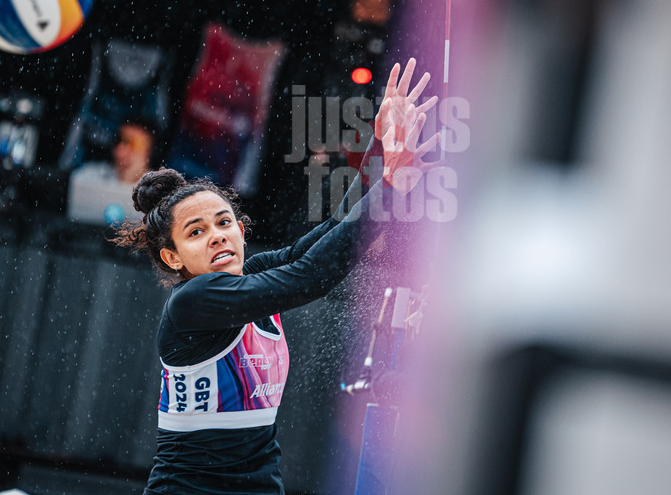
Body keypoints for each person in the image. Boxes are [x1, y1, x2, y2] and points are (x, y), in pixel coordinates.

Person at [113, 59, 439, 494]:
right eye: (196, 232)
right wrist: (391, 187)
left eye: (223, 222)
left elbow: (330, 234)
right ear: (173, 258)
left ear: (241, 229)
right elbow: (311, 275)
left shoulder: (249, 274)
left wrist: (378, 148)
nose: (217, 235)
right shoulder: (194, 300)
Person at [72, 118, 156, 186]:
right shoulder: (92, 174)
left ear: (148, 152)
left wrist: (129, 181)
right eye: (118, 140)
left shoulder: (157, 187)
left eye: (132, 144)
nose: (120, 149)